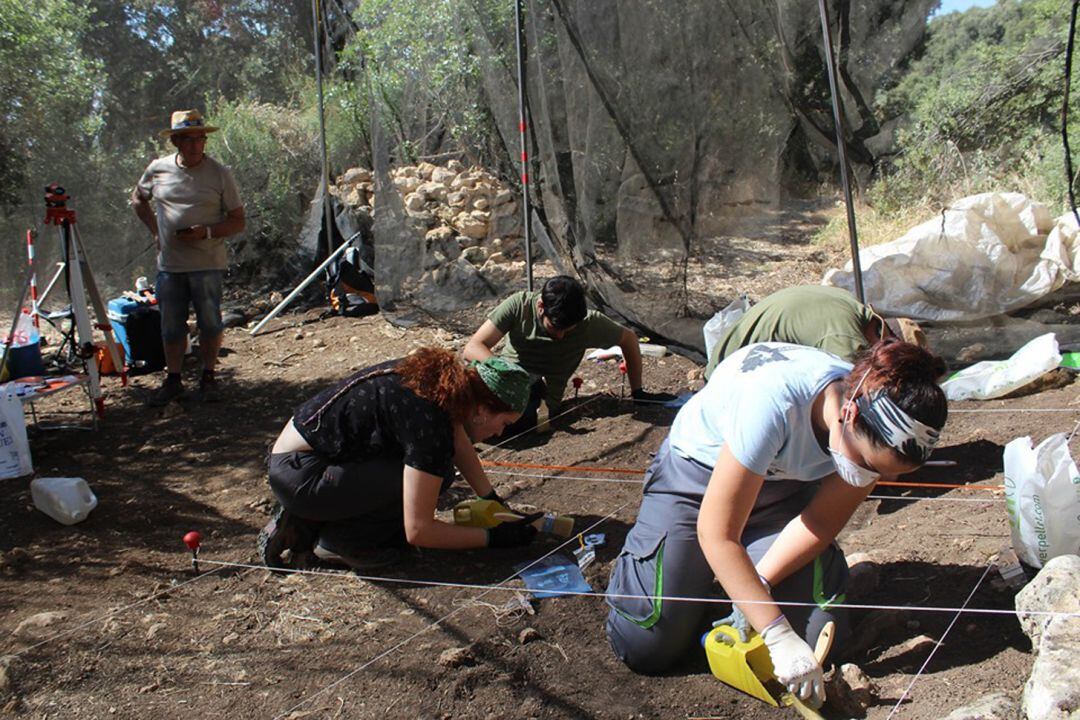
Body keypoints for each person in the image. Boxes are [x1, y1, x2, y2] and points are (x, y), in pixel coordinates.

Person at [605, 338, 947, 708]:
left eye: (886, 473)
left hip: (781, 492)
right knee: (647, 644)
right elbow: (717, 533)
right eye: (868, 463)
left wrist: (760, 585)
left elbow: (819, 521)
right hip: (696, 482)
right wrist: (775, 632)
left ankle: (723, 585)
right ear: (848, 413)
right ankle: (663, 568)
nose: (879, 480)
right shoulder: (774, 400)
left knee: (816, 639)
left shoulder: (872, 431)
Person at [257, 349, 540, 570]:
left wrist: (492, 500)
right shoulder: (429, 418)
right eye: (503, 423)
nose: (499, 432)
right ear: (482, 409)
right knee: (436, 475)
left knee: (435, 471)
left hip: (307, 461)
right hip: (302, 473)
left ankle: (312, 519)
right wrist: (494, 539)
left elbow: (459, 443)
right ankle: (339, 541)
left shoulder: (446, 386)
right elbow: (419, 530)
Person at [464, 275, 674, 437]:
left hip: (538, 397)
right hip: (503, 378)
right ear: (540, 307)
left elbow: (629, 339)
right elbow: (473, 346)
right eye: (555, 328)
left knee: (504, 420)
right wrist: (503, 369)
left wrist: (638, 392)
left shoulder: (590, 324)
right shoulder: (519, 306)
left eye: (568, 330)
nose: (561, 335)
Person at [132, 109, 246, 405]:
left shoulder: (220, 173)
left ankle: (208, 377)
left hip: (207, 263)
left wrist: (206, 232)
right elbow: (138, 199)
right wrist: (156, 232)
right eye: (189, 139)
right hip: (170, 266)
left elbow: (238, 220)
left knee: (210, 324)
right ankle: (173, 380)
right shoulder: (158, 169)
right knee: (171, 326)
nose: (196, 145)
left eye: (200, 138)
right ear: (177, 142)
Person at [704, 285, 914, 380]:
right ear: (882, 342)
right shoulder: (844, 334)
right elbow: (851, 389)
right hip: (728, 379)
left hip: (736, 361)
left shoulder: (848, 304)